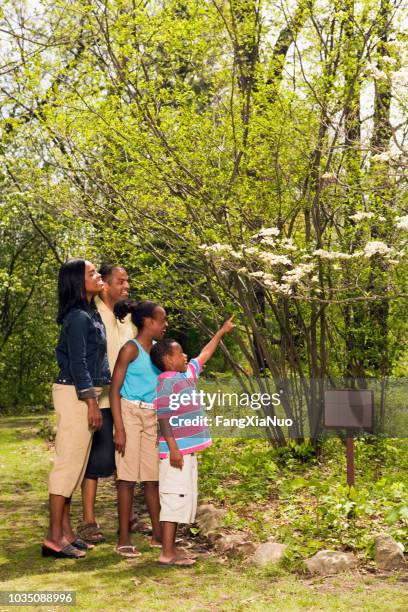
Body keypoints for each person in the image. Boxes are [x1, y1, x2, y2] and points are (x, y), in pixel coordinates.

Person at [150, 317, 234, 566]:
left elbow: (204, 354)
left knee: (181, 499)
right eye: (179, 353)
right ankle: (166, 553)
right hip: (175, 455)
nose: (185, 355)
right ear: (168, 359)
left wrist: (220, 332)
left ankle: (171, 549)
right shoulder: (166, 382)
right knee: (173, 499)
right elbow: (163, 418)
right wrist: (174, 449)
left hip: (185, 453)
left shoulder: (185, 375)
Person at [42, 259, 110, 559]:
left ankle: (66, 532)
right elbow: (78, 363)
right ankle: (54, 537)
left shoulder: (89, 312)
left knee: (78, 467)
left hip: (83, 393)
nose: (98, 276)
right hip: (75, 395)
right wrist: (92, 402)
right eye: (92, 273)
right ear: (77, 282)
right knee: (67, 467)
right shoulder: (79, 318)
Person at [78, 264, 148, 544]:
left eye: (127, 281)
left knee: (126, 461)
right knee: (96, 461)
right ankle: (87, 520)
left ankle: (128, 517)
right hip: (100, 399)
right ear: (105, 285)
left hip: (128, 400)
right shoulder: (90, 314)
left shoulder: (128, 316)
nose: (126, 286)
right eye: (121, 281)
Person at [110, 300, 167, 557]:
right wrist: (119, 428)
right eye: (161, 320)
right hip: (129, 413)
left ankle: (158, 535)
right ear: (148, 322)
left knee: (152, 478)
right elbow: (114, 389)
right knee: (127, 479)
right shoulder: (130, 350)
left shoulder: (158, 351)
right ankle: (124, 538)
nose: (165, 325)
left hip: (152, 416)